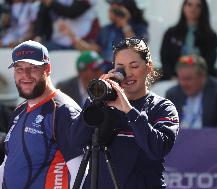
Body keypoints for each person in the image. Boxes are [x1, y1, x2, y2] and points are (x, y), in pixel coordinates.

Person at [69, 37, 179, 189]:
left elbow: (157, 149)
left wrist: (129, 110)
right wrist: (95, 100)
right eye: (121, 68)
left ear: (148, 67)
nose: (127, 74)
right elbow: (75, 140)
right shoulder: (103, 104)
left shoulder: (162, 107)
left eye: (134, 66)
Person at [0, 40, 83, 189]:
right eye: (19, 69)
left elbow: (82, 172)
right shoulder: (19, 111)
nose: (25, 75)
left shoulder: (64, 111)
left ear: (47, 68)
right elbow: (8, 163)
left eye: (33, 68)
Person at [63, 0, 148, 62]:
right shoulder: (107, 29)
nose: (110, 10)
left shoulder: (139, 27)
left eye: (115, 8)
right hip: (104, 69)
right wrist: (71, 36)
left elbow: (136, 48)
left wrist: (124, 24)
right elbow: (91, 50)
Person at [166, 54, 217, 128]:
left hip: (210, 138)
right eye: (180, 79)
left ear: (202, 76)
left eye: (188, 79)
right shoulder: (172, 94)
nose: (183, 84)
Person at [160, 0, 217, 80]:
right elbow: (165, 59)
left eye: (198, 6)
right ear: (184, 7)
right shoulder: (171, 33)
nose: (193, 9)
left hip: (201, 79)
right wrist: (172, 77)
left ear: (203, 10)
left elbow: (209, 63)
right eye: (189, 4)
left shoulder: (211, 36)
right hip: (174, 77)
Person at [34, 0, 99, 50]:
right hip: (57, 41)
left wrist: (51, 3)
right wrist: (38, 36)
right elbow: (42, 15)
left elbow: (72, 12)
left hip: (80, 43)